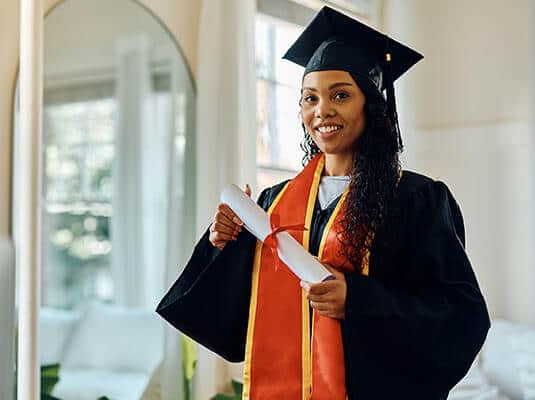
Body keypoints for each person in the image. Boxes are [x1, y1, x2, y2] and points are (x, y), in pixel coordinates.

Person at [157, 6, 490, 400]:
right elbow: (234, 324)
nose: (322, 111)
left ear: (372, 105)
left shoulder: (416, 199)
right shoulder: (273, 203)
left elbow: (461, 318)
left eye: (341, 95)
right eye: (309, 98)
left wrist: (360, 300)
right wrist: (224, 244)